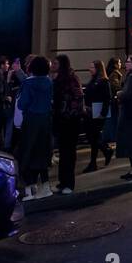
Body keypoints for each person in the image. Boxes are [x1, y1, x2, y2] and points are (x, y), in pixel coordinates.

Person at [17, 55, 54, 199]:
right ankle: (45, 186)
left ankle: (29, 189)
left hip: (31, 120)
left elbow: (22, 103)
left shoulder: (28, 83)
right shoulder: (49, 82)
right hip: (45, 120)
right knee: (42, 153)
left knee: (27, 152)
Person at [52, 54, 84, 194]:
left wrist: (69, 113)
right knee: (64, 151)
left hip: (70, 121)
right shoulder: (59, 79)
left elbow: (77, 97)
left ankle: (69, 183)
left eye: (56, 64)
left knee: (69, 152)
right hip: (62, 120)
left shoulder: (70, 79)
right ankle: (63, 181)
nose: (53, 66)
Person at [83, 60, 114, 172]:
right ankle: (105, 151)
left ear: (98, 68)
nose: (89, 69)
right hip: (91, 112)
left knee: (94, 137)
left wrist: (103, 113)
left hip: (97, 113)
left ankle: (94, 162)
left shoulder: (103, 81)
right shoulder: (93, 80)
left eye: (92, 67)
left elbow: (107, 99)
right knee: (93, 137)